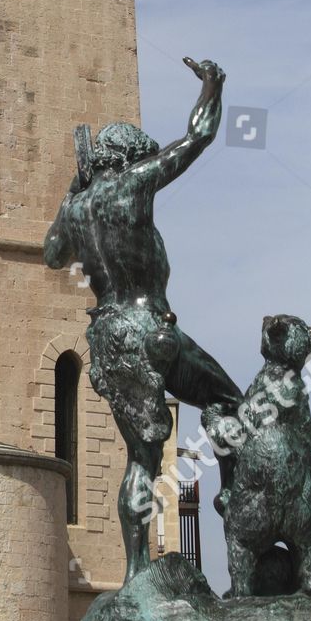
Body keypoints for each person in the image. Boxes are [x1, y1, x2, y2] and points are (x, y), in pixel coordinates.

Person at [44, 57, 242, 582]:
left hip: (107, 336)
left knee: (142, 456)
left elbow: (51, 255)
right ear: (130, 156)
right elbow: (196, 137)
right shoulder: (132, 185)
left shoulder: (76, 207)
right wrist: (212, 86)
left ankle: (134, 575)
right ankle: (243, 527)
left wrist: (72, 188)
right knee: (230, 402)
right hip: (149, 326)